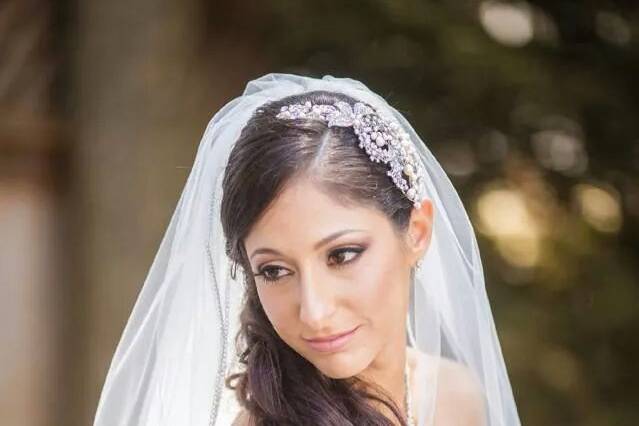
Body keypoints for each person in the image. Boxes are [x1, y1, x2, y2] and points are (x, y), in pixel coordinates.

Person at [93, 73, 521, 426]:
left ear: (417, 232)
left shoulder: (459, 397)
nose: (313, 312)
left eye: (342, 255)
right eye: (274, 271)